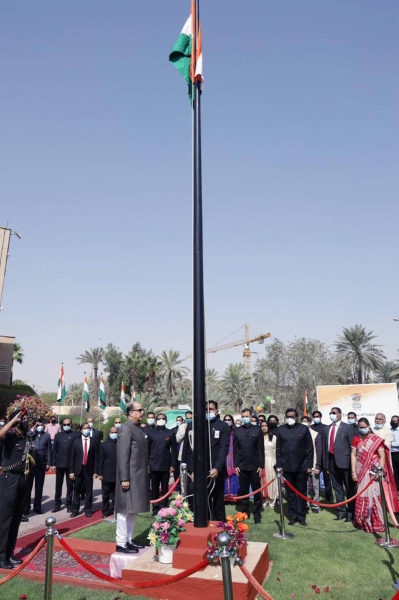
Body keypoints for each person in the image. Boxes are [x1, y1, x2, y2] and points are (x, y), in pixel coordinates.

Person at [182, 400, 230, 521]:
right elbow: (189, 450)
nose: (208, 412)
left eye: (211, 409)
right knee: (200, 500)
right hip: (198, 470)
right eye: (206, 410)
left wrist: (217, 468)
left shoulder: (223, 426)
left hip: (215, 470)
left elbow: (223, 449)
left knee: (218, 500)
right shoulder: (193, 426)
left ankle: (220, 528)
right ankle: (202, 524)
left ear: (217, 411)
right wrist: (192, 470)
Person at [351, 417, 399, 532]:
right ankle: (362, 521)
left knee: (375, 496)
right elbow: (353, 455)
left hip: (373, 473)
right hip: (360, 472)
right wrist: (353, 472)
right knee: (361, 495)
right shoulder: (356, 439)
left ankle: (377, 522)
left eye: (364, 427)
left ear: (368, 426)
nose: (362, 429)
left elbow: (382, 456)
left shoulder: (376, 439)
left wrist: (380, 470)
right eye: (360, 427)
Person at [115, 401, 149, 554]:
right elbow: (123, 456)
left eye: (142, 410)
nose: (142, 412)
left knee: (133, 509)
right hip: (129, 477)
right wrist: (124, 478)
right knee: (124, 510)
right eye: (139, 410)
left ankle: (128, 539)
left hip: (138, 476)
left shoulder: (137, 429)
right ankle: (121, 542)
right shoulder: (126, 429)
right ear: (131, 413)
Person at [0, 409, 32, 569]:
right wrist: (12, 421)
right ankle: (1, 556)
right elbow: (0, 435)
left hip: (22, 479)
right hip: (9, 478)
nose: (27, 420)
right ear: (17, 421)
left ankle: (9, 553)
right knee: (5, 518)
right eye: (24, 418)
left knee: (16, 518)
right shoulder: (10, 436)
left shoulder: (26, 438)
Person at [276, 408, 313, 526]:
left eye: (292, 416)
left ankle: (301, 516)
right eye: (288, 416)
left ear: (296, 417)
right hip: (286, 467)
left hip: (301, 466)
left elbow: (310, 448)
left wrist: (309, 465)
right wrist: (279, 465)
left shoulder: (303, 428)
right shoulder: (281, 429)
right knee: (290, 493)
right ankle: (292, 516)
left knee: (302, 492)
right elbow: (278, 449)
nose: (290, 418)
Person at [234, 407, 265, 524]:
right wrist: (236, 464)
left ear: (251, 416)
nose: (245, 418)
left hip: (255, 466)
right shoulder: (237, 431)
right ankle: (245, 511)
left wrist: (260, 465)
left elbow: (261, 449)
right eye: (243, 416)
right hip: (242, 466)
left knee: (256, 490)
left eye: (247, 416)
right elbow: (235, 449)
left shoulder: (257, 430)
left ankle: (257, 513)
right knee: (244, 490)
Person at [324, 406, 356, 522]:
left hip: (345, 462)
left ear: (340, 414)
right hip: (332, 462)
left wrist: (353, 466)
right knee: (337, 488)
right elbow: (324, 448)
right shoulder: (327, 429)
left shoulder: (347, 428)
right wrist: (326, 465)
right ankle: (341, 512)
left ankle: (351, 513)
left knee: (349, 489)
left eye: (333, 413)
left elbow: (352, 447)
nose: (331, 414)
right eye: (330, 412)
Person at [148, 413, 177, 515]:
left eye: (163, 418)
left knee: (165, 488)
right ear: (156, 420)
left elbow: (174, 450)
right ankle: (155, 509)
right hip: (153, 465)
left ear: (166, 420)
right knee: (154, 488)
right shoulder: (151, 433)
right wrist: (147, 464)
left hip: (166, 465)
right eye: (159, 418)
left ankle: (164, 507)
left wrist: (173, 465)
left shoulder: (170, 433)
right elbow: (147, 449)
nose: (161, 420)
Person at [69, 423, 99, 517]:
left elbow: (96, 458)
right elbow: (72, 457)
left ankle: (88, 509)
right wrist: (71, 472)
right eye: (85, 428)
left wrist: (95, 471)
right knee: (76, 490)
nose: (87, 430)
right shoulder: (75, 441)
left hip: (89, 470)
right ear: (81, 430)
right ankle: (75, 510)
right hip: (78, 469)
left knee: (88, 490)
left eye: (88, 428)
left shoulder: (94, 441)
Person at [24, 420, 52, 515]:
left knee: (39, 487)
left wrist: (48, 463)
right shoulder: (32, 434)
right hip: (31, 464)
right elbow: (26, 436)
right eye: (38, 425)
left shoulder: (47, 436)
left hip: (41, 464)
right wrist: (33, 428)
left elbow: (49, 450)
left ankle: (37, 507)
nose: (40, 427)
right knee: (28, 487)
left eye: (41, 425)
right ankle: (26, 507)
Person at [51, 418, 78, 513]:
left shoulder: (75, 435)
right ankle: (57, 504)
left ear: (71, 424)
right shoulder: (58, 435)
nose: (66, 426)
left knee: (70, 486)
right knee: (58, 485)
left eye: (68, 424)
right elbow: (54, 451)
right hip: (59, 464)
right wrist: (53, 463)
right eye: (64, 424)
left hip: (70, 465)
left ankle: (69, 504)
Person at [311, 410, 334, 503]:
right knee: (314, 480)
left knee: (326, 477)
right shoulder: (310, 428)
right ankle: (316, 496)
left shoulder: (325, 427)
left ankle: (329, 497)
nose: (316, 417)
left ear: (320, 417)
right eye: (314, 416)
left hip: (324, 455)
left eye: (317, 416)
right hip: (314, 457)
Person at [301, 416, 322, 513]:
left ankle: (315, 505)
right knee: (303, 486)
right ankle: (305, 503)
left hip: (313, 465)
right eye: (302, 421)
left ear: (310, 423)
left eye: (306, 421)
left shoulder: (315, 434)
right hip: (302, 465)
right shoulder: (299, 433)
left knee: (315, 486)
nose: (304, 423)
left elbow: (319, 451)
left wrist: (318, 466)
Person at [98, 427, 118, 517]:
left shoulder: (120, 444)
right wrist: (100, 473)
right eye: (112, 432)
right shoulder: (104, 445)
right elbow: (100, 460)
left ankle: (114, 510)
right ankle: (105, 511)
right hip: (106, 474)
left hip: (117, 474)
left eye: (116, 432)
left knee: (115, 495)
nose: (114, 434)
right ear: (109, 433)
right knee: (105, 495)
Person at [260, 421, 277, 508]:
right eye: (262, 426)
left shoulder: (273, 438)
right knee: (263, 481)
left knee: (272, 481)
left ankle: (272, 500)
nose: (264, 427)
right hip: (261, 463)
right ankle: (264, 499)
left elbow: (277, 451)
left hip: (271, 462)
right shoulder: (259, 437)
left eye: (265, 426)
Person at [223, 414, 240, 498]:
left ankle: (235, 495)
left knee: (234, 474)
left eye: (229, 420)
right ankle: (225, 495)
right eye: (225, 419)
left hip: (233, 455)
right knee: (224, 474)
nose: (227, 421)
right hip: (224, 455)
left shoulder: (236, 431)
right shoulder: (222, 430)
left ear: (232, 421)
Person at [391, 415, 399, 489]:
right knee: (394, 472)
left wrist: (390, 444)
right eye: (392, 421)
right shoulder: (389, 430)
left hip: (398, 453)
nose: (393, 423)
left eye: (395, 421)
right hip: (391, 454)